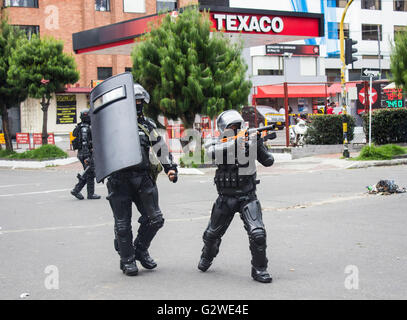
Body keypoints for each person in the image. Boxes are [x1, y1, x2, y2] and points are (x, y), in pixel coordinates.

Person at [106, 84, 178, 276]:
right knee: (122, 224)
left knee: (155, 219)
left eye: (140, 101)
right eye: (134, 101)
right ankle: (127, 259)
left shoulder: (147, 125)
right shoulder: (112, 123)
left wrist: (170, 168)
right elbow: (101, 148)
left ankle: (139, 249)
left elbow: (160, 147)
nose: (138, 105)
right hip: (119, 179)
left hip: (142, 178)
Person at [198, 110, 275, 283]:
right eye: (230, 127)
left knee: (258, 234)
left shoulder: (249, 142)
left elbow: (269, 161)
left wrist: (258, 144)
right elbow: (211, 153)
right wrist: (236, 143)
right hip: (225, 199)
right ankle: (207, 256)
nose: (234, 130)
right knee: (211, 235)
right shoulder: (215, 143)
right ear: (222, 129)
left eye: (237, 127)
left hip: (247, 197)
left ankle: (259, 269)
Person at [70, 109, 101, 200]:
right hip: (85, 154)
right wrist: (87, 157)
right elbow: (84, 143)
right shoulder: (84, 128)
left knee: (90, 173)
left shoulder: (84, 126)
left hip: (84, 154)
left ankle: (89, 193)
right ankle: (76, 190)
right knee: (89, 172)